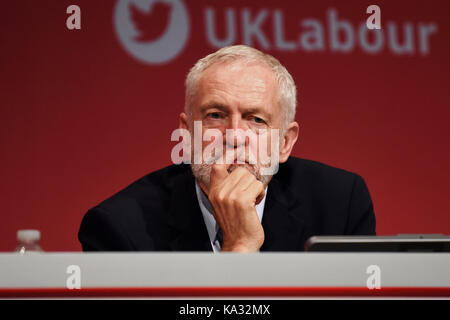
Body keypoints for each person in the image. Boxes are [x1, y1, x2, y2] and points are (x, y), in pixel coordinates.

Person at [78, 45, 376, 252]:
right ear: (187, 134)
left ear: (285, 143)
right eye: (215, 115)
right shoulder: (118, 226)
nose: (234, 135)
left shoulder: (340, 203)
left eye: (256, 119)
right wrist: (240, 247)